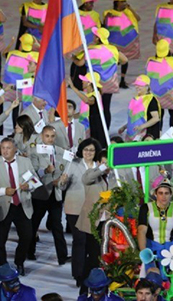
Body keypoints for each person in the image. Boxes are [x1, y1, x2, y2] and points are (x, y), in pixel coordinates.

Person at [0, 138, 38, 275]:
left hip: (22, 205)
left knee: (27, 236)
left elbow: (35, 180)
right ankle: (2, 267)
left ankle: (19, 262)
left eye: (8, 148)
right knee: (0, 240)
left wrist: (29, 186)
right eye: (3, 148)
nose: (5, 151)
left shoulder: (25, 162)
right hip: (3, 206)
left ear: (15, 149)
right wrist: (4, 191)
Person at [77, 144, 117, 293]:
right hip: (93, 223)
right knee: (93, 256)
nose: (106, 166)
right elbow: (86, 179)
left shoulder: (115, 177)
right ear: (99, 162)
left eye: (109, 163)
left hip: (109, 223)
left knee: (106, 256)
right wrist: (101, 168)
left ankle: (103, 286)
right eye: (104, 162)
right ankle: (85, 287)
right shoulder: (91, 174)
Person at [59, 138, 99, 285]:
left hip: (94, 210)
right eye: (86, 150)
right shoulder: (73, 164)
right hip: (75, 209)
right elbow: (62, 187)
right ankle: (78, 274)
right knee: (79, 241)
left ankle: (91, 272)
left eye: (91, 150)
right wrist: (62, 182)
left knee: (92, 243)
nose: (88, 153)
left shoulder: (99, 166)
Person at [28, 125, 68, 264]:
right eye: (47, 136)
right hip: (40, 194)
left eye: (52, 136)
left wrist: (62, 181)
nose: (50, 139)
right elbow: (32, 171)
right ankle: (29, 251)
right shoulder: (34, 152)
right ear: (41, 136)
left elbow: (67, 170)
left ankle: (62, 257)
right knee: (34, 224)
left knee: (57, 225)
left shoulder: (62, 152)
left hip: (56, 194)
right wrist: (45, 171)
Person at [86, 27, 128, 128]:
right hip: (109, 83)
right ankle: (105, 131)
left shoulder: (90, 49)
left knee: (94, 108)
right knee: (106, 107)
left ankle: (96, 131)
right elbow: (125, 60)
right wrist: (114, 63)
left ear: (97, 38)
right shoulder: (113, 49)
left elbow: (81, 63)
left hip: (94, 84)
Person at [146, 39, 173, 128]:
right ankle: (172, 133)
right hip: (171, 94)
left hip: (156, 94)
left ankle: (158, 134)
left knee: (159, 115)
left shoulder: (150, 60)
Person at [103, 0, 141, 88]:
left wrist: (130, 9)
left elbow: (138, 19)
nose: (124, 3)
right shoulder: (108, 13)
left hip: (125, 42)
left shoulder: (128, 12)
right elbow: (104, 26)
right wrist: (108, 17)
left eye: (125, 1)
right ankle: (112, 80)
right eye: (122, 2)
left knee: (125, 60)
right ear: (116, 3)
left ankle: (122, 80)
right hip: (114, 42)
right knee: (114, 62)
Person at [68, 72, 108, 148]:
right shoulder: (87, 94)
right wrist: (71, 116)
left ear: (89, 83)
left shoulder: (96, 94)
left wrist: (73, 88)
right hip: (86, 127)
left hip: (95, 128)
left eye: (84, 80)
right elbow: (82, 113)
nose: (82, 81)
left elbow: (89, 101)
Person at [118, 75, 161, 141]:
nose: (137, 87)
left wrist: (141, 127)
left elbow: (156, 118)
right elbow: (135, 118)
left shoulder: (151, 100)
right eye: (136, 85)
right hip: (133, 135)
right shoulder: (135, 99)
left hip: (146, 136)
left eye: (140, 85)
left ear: (147, 86)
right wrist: (124, 127)